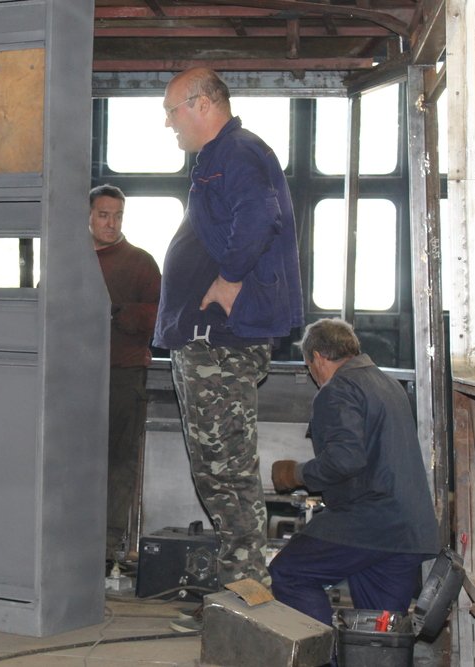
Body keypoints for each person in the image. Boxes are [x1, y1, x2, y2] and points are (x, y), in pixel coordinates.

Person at [152, 67, 303, 602]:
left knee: (227, 471)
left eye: (171, 111)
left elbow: (260, 217)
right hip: (205, 341)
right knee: (215, 472)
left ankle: (247, 597)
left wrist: (229, 279)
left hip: (221, 342)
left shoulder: (237, 151)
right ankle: (238, 592)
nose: (169, 124)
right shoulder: (219, 157)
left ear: (201, 104)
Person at [268, 318, 440, 630]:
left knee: (289, 573)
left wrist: (296, 474)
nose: (312, 374)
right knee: (379, 632)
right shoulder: (388, 384)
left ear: (318, 357)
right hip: (409, 530)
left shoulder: (338, 389)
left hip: (369, 522)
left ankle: (318, 652)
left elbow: (345, 459)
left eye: (309, 366)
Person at [89, 184, 161, 562]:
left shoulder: (140, 263)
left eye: (117, 216)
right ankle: (68, 537)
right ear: (88, 216)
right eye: (104, 215)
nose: (111, 223)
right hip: (71, 375)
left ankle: (106, 546)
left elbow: (160, 316)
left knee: (118, 463)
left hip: (123, 375)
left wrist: (120, 313)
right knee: (70, 458)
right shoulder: (69, 258)